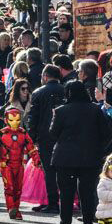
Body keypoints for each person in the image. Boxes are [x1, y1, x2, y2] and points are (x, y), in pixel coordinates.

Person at [49, 81, 112, 224]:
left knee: (66, 192)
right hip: (89, 157)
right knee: (87, 191)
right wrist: (100, 149)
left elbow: (53, 133)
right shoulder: (95, 110)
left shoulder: (61, 111)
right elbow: (107, 133)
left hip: (65, 157)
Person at [25, 64, 65, 214]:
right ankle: (64, 201)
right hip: (63, 135)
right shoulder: (65, 90)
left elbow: (33, 117)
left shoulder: (38, 93)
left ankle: (52, 202)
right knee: (63, 170)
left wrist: (32, 137)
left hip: (45, 136)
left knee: (49, 170)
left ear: (45, 76)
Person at [0, 108, 40, 220]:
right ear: (7, 120)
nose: (15, 123)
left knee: (18, 189)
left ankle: (16, 209)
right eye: (12, 120)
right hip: (6, 164)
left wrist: (36, 159)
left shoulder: (23, 133)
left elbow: (31, 148)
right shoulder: (2, 133)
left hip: (19, 165)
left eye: (17, 120)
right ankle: (11, 208)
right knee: (9, 187)